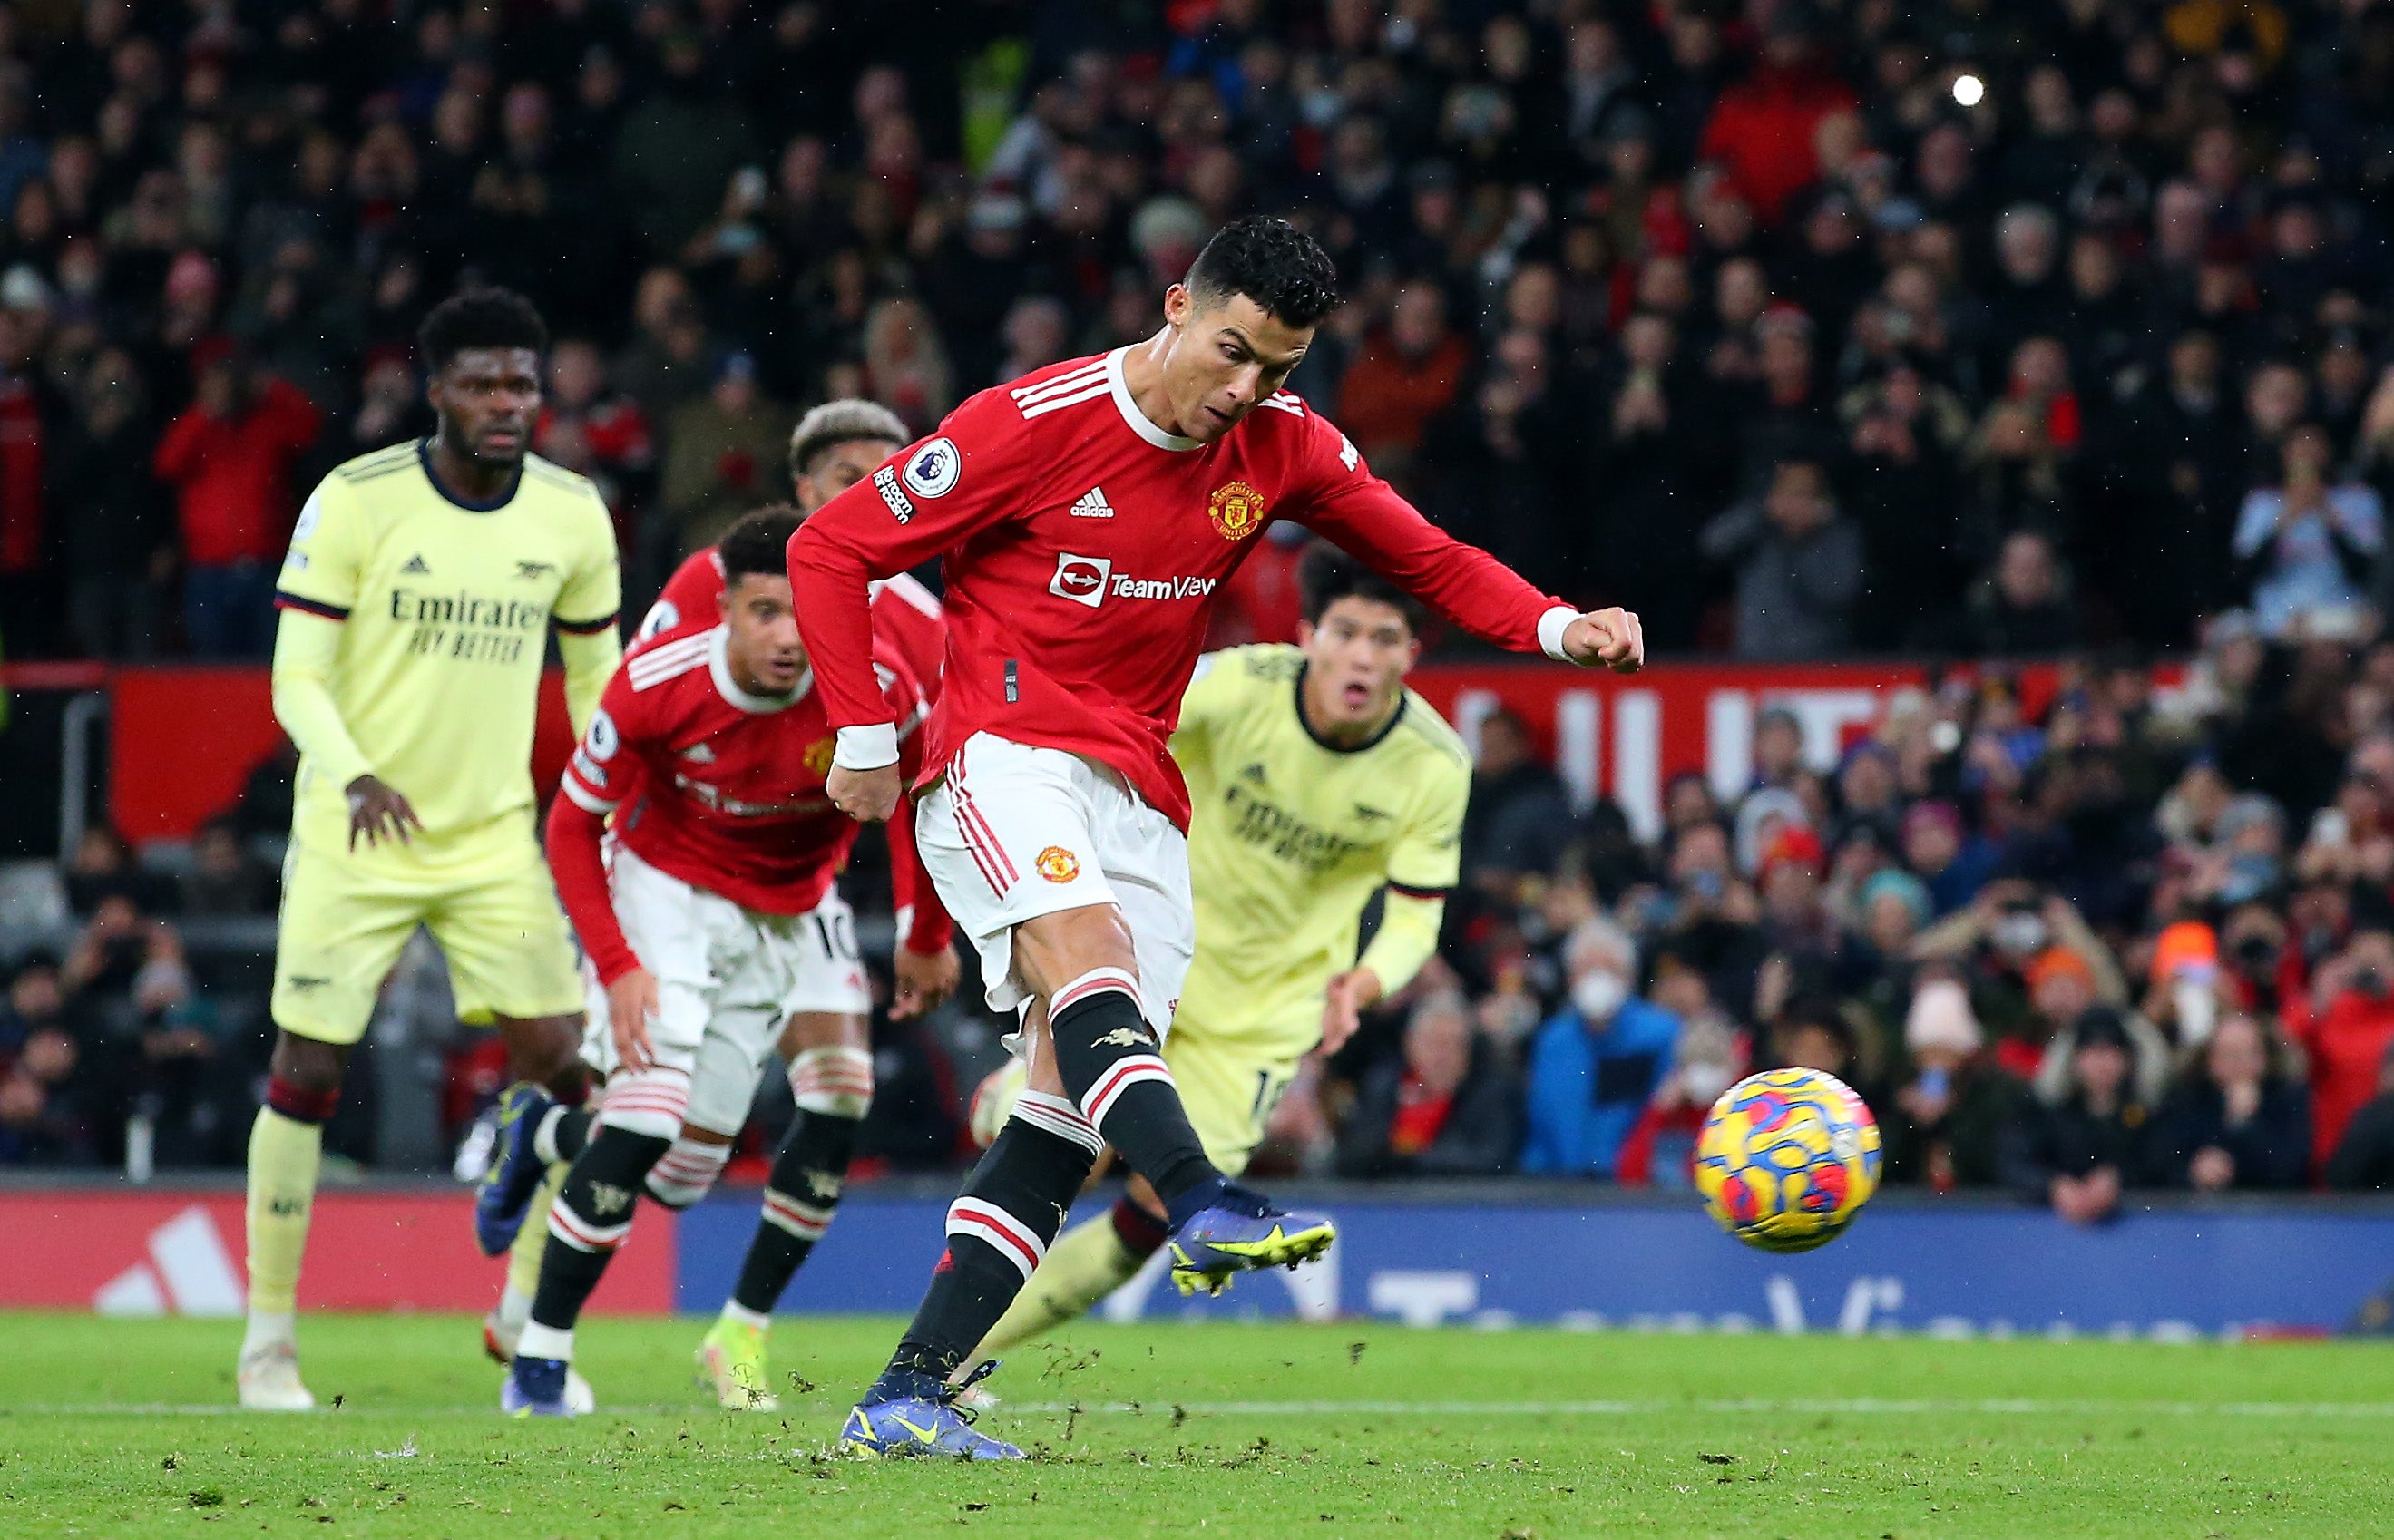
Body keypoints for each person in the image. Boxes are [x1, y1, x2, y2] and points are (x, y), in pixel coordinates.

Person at [786, 216, 1644, 1458]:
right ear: (1175, 304)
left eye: (1278, 369)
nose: (1242, 390)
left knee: (1064, 1112)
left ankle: (907, 1393)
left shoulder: (1280, 444)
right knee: (1090, 961)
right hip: (1001, 748)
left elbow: (1430, 559)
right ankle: (1200, 1195)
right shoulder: (1027, 423)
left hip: (1136, 784)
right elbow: (831, 545)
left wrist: (1559, 627)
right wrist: (863, 732)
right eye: (1231, 350)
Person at [239, 289, 621, 1411]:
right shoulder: (355, 501)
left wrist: (606, 787)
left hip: (492, 836)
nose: (507, 403)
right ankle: (268, 1342)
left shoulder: (570, 514)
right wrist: (350, 769)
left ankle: (524, 1323)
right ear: (436, 391)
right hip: (354, 832)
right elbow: (296, 674)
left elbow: (595, 678)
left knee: (572, 1076)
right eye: (483, 384)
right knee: (308, 1072)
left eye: (523, 385)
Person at [486, 508, 953, 1418]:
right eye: (762, 612)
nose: (786, 636)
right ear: (725, 611)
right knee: (648, 1114)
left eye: (802, 612)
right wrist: (620, 967)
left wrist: (924, 932)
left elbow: (923, 803)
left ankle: (539, 1136)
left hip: (778, 918)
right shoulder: (657, 682)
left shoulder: (882, 688)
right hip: (665, 896)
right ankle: (538, 1363)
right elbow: (572, 825)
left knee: (679, 1174)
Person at [965, 544, 1475, 1359]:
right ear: (1308, 633)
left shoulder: (1434, 764)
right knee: (1068, 1153)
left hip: (1262, 1024)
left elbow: (1418, 912)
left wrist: (1366, 981)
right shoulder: (1238, 685)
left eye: (1384, 640)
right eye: (1345, 632)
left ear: (1410, 655)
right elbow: (1118, 726)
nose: (1362, 656)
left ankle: (960, 1357)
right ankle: (1007, 1101)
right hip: (1151, 961)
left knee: (1154, 1216)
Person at [639, 397, 942, 696]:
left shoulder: (924, 623)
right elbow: (635, 697)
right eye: (850, 480)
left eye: (887, 483)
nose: (874, 499)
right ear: (807, 491)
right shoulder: (710, 577)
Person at [1520, 920, 1680, 1177]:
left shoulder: (1662, 1034)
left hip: (1633, 1193)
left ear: (1628, 977)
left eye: (1610, 969)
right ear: (1571, 978)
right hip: (1557, 1191)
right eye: (1588, 968)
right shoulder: (1552, 1040)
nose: (1598, 978)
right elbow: (1540, 1127)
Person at [2140, 1012, 2311, 1191]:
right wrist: (2192, 1172)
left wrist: (2244, 1124)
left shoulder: (2286, 1098)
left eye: (2250, 1054)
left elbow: (2291, 1170)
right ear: (2210, 1060)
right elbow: (2156, 1163)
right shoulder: (2186, 1099)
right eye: (2230, 1055)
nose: (2240, 1064)